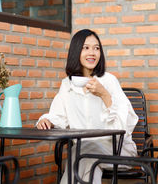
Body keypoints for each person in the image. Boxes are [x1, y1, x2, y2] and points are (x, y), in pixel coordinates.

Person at [36, 29, 138, 183]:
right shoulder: (67, 85)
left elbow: (124, 126)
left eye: (96, 48)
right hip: (84, 151)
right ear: (76, 51)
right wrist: (48, 120)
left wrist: (104, 94)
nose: (92, 53)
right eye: (86, 48)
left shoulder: (109, 81)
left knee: (83, 153)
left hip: (117, 150)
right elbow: (59, 116)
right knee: (86, 157)